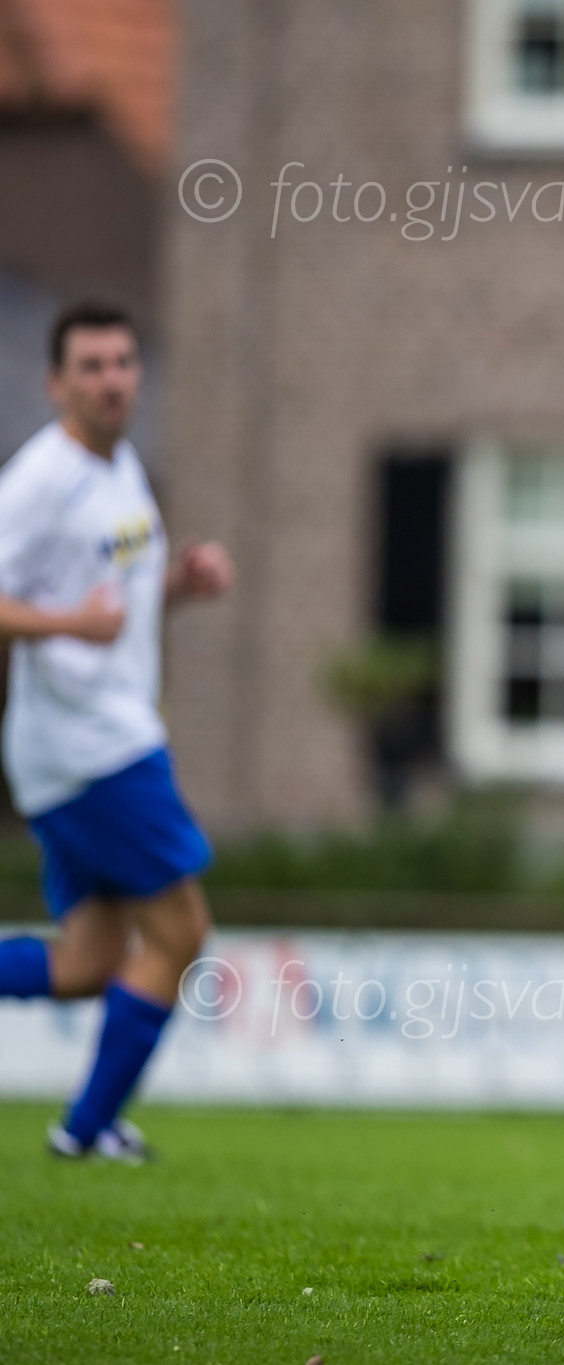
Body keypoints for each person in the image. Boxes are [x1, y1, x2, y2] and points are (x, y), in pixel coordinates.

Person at [0, 301, 234, 1161]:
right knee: (181, 931)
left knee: (88, 962)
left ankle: (88, 1125)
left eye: (124, 362)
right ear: (55, 382)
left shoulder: (121, 465)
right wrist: (71, 624)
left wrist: (174, 585)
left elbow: (111, 597)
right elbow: (66, 610)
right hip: (93, 747)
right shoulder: (41, 479)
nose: (112, 380)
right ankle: (87, 1127)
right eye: (91, 366)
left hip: (86, 744)